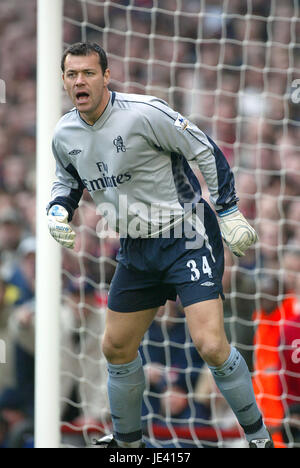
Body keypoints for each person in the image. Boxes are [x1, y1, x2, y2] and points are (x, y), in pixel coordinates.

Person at [47, 42, 273, 448]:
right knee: (115, 347)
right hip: (134, 247)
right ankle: (129, 446)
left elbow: (203, 147)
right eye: (71, 74)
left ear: (106, 76)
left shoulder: (145, 113)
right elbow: (68, 181)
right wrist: (56, 212)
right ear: (64, 80)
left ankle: (258, 438)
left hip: (185, 235)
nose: (79, 81)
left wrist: (229, 210)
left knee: (211, 344)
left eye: (87, 73)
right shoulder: (64, 134)